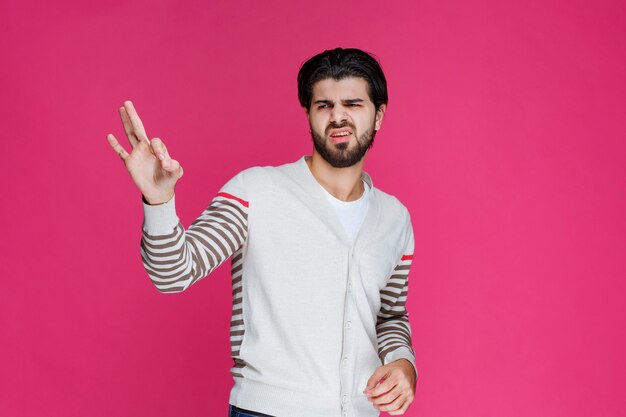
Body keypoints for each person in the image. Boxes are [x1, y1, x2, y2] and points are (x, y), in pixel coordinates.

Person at [107, 47, 418, 417]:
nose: (338, 117)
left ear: (378, 115)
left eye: (353, 104)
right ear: (308, 114)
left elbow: (390, 316)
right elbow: (173, 273)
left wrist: (404, 365)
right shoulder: (255, 191)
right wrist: (159, 201)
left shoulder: (395, 219)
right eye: (324, 105)